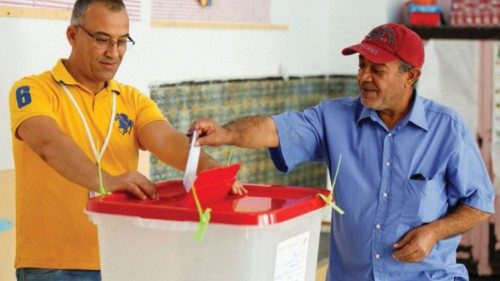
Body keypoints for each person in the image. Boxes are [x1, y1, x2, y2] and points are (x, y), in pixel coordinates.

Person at [190, 23, 495, 280]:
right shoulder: (332, 118)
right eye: (361, 65)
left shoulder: (448, 129)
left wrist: (435, 232)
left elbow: (479, 203)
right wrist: (226, 133)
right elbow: (274, 129)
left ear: (410, 76)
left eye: (377, 70)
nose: (363, 77)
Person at [9, 0, 244, 280]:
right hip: (53, 265)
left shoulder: (132, 99)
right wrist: (106, 180)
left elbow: (167, 140)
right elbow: (48, 144)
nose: (114, 53)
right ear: (72, 36)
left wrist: (211, 168)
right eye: (102, 40)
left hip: (121, 256)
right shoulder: (33, 90)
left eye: (122, 42)